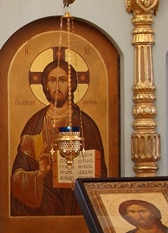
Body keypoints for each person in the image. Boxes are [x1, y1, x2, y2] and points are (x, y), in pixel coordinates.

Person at [11, 55, 107, 216]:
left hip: (78, 204)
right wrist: (40, 174)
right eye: (52, 80)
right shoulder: (34, 126)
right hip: (44, 207)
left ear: (72, 85)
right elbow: (17, 178)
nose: (57, 86)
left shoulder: (86, 125)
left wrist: (84, 181)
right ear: (45, 86)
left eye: (63, 80)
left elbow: (101, 173)